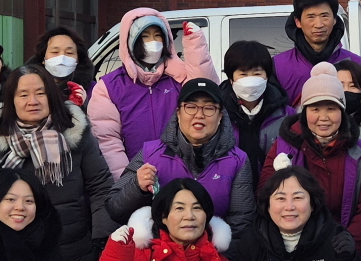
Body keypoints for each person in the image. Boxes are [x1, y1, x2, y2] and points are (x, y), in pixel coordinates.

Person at [0, 64, 114, 261]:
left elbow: (101, 186)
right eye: (23, 94)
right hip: (12, 253)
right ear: (11, 100)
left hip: (70, 249)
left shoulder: (75, 132)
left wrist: (102, 239)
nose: (33, 101)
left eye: (40, 93)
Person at [107, 76, 256, 238]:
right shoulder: (151, 153)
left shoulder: (237, 161)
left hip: (212, 258)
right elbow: (115, 209)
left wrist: (212, 256)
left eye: (209, 108)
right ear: (178, 113)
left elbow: (241, 223)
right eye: (191, 107)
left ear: (220, 116)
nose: (199, 115)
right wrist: (137, 187)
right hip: (160, 258)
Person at [87, 7, 215, 177]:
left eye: (158, 36)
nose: (153, 42)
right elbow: (109, 143)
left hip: (180, 175)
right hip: (136, 179)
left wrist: (195, 45)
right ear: (131, 41)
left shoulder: (178, 76)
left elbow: (207, 91)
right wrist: (128, 184)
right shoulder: (109, 87)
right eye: (145, 36)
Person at [229, 165, 361, 261]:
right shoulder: (251, 241)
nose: (289, 206)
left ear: (312, 203)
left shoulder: (333, 237)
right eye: (280, 198)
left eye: (298, 197)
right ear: (267, 204)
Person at [272, 62, 361, 254]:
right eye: (315, 109)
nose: (323, 117)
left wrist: (349, 244)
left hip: (344, 250)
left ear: (342, 111)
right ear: (305, 112)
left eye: (331, 108)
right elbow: (267, 197)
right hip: (294, 250)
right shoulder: (282, 147)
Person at [82, 177, 233, 261]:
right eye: (179, 208)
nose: (189, 216)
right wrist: (115, 257)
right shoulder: (135, 257)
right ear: (163, 217)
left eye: (197, 208)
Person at [223, 39, 289, 172]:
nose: (250, 79)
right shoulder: (217, 114)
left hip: (272, 187)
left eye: (257, 74)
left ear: (267, 76)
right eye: (243, 74)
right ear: (231, 78)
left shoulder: (286, 116)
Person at [35, 24, 94, 108]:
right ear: (43, 58)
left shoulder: (94, 90)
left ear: (78, 59)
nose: (62, 58)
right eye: (55, 52)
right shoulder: (28, 87)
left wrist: (85, 105)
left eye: (69, 53)